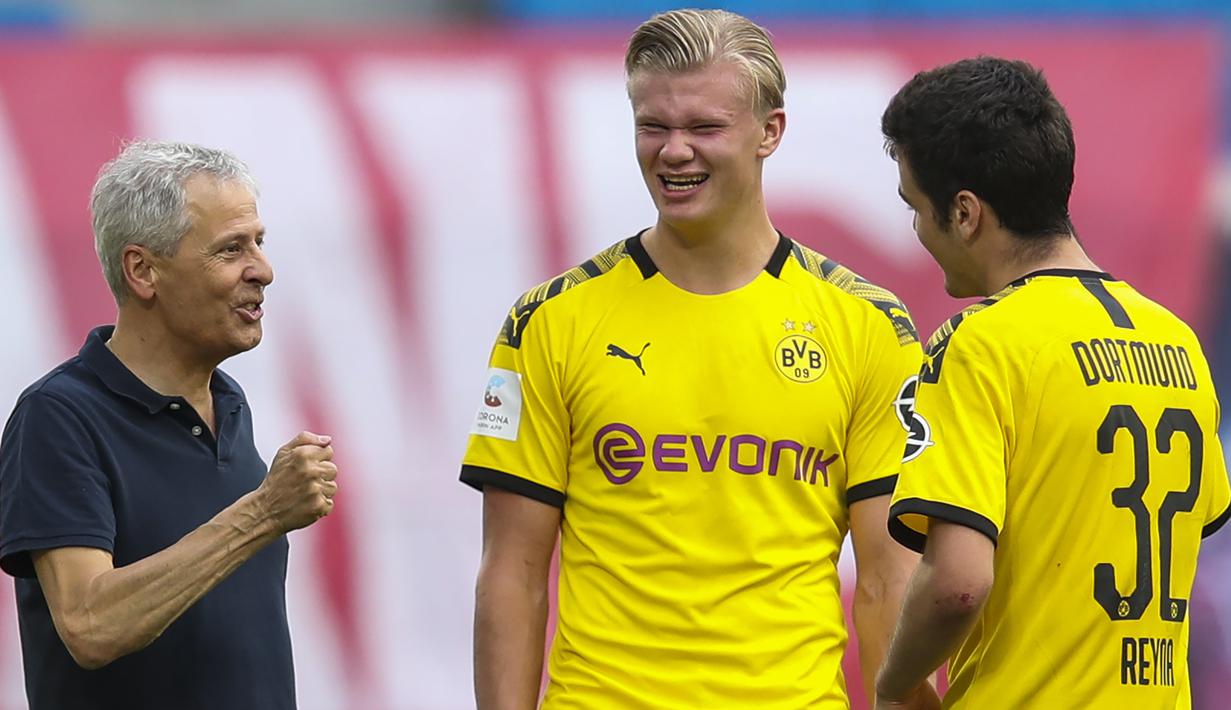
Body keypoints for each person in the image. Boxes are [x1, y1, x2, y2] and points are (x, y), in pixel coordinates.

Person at [461, 9, 932, 709]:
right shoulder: (550, 320)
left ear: (769, 131)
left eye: (704, 128)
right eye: (653, 127)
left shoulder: (869, 326)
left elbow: (890, 580)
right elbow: (513, 571)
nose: (673, 151)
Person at [874, 57, 1231, 709]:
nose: (916, 230)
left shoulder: (980, 342)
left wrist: (895, 684)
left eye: (914, 207)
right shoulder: (1176, 342)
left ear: (963, 213)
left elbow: (957, 583)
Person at [0, 141, 338, 710]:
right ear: (143, 271)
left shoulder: (229, 406)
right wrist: (260, 514)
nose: (263, 270)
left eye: (259, 242)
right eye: (231, 249)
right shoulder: (59, 418)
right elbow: (89, 623)